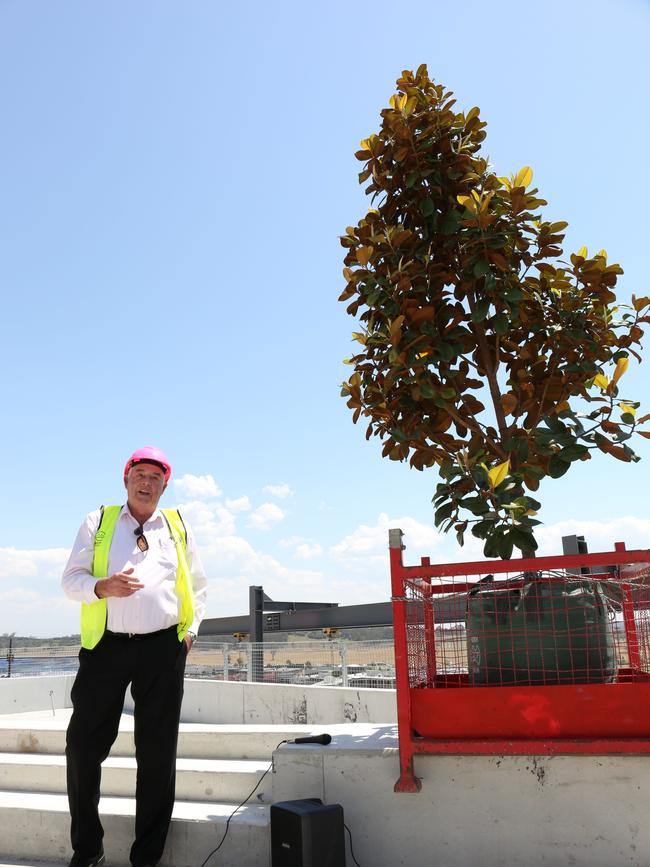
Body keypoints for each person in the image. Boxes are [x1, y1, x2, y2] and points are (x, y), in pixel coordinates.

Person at [61, 446, 207, 867]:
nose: (147, 481)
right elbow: (71, 580)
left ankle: (147, 857)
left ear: (165, 484)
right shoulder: (99, 521)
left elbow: (197, 586)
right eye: (139, 473)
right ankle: (88, 851)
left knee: (158, 753)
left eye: (155, 476)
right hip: (105, 648)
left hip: (163, 649)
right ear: (126, 480)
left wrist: (189, 633)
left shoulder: (177, 526)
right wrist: (102, 587)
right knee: (82, 747)